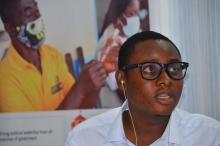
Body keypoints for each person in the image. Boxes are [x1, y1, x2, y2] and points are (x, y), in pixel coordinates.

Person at [66, 31, 220, 146]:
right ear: (121, 80)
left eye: (174, 68)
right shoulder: (84, 139)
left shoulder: (208, 136)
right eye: (149, 69)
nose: (166, 80)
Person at [0, 0, 107, 112]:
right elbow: (38, 129)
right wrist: (80, 89)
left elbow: (79, 108)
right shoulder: (4, 80)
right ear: (10, 29)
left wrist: (95, 83)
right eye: (28, 13)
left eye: (36, 10)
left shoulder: (52, 55)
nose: (37, 16)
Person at [96, 0, 141, 108]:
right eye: (131, 14)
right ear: (119, 16)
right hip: (117, 104)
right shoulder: (111, 42)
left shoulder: (135, 34)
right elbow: (117, 87)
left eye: (137, 14)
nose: (135, 19)